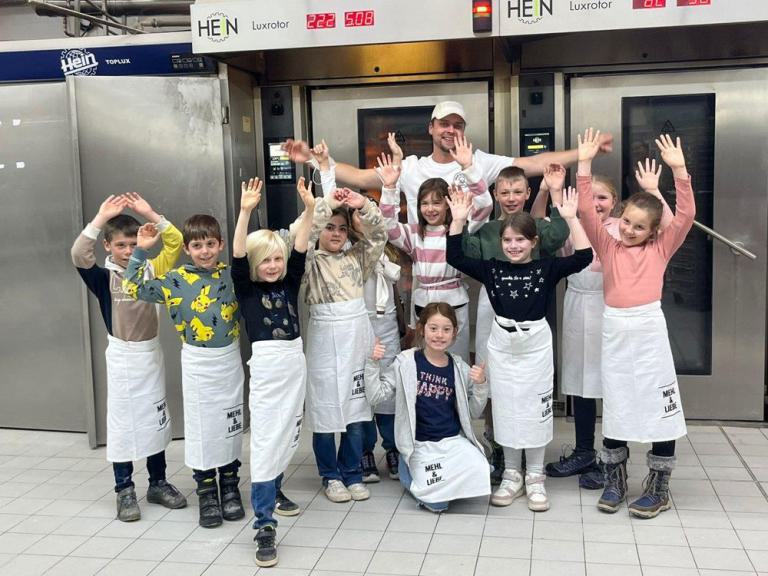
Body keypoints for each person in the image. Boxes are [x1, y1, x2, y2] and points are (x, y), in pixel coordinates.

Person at [446, 187, 592, 511]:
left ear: (533, 242)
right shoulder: (492, 270)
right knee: (506, 408)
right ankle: (512, 474)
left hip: (535, 346)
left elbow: (584, 257)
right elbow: (454, 256)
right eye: (508, 241)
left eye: (521, 240)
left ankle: (536, 476)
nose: (514, 246)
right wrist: (457, 220)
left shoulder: (547, 268)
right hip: (501, 346)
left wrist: (569, 217)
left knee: (535, 409)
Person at [576, 129, 695, 518]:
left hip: (648, 333)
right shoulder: (607, 244)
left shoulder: (662, 247)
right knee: (618, 406)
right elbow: (584, 211)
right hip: (615, 331)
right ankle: (615, 481)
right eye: (626, 222)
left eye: (639, 227)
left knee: (659, 408)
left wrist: (679, 172)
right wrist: (584, 163)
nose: (629, 230)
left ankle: (659, 489)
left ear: (653, 231)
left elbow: (687, 216)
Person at [545, 161, 674, 489]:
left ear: (615, 201)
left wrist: (654, 190)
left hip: (612, 309)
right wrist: (554, 191)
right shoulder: (572, 221)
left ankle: (611, 458)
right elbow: (544, 229)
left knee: (611, 383)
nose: (598, 204)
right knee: (580, 382)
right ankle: (584, 451)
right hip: (576, 304)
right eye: (594, 198)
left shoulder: (622, 230)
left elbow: (669, 229)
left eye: (604, 198)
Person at [282, 100, 612, 224]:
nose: (450, 130)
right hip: (421, 264)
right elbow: (355, 176)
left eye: (457, 125)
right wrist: (311, 158)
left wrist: (581, 155)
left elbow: (534, 163)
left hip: (470, 263)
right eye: (444, 123)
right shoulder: (410, 168)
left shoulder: (479, 161)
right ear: (432, 128)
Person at [123, 214, 245, 529]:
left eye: (210, 244)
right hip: (197, 365)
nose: (204, 251)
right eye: (196, 245)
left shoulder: (232, 277)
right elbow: (133, 288)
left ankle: (230, 485)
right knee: (202, 427)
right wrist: (140, 251)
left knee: (230, 425)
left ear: (220, 244)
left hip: (228, 361)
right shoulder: (174, 280)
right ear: (187, 249)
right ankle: (206, 490)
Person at [71, 193, 187, 522]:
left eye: (133, 244)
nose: (128, 251)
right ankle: (124, 489)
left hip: (151, 356)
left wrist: (149, 212)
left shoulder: (151, 269)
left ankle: (158, 482)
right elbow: (78, 254)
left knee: (155, 419)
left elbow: (175, 242)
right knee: (123, 425)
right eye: (121, 245)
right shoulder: (103, 277)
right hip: (123, 357)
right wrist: (98, 219)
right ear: (108, 246)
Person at [463, 163, 571, 483]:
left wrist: (552, 190)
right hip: (493, 308)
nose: (510, 198)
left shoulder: (537, 228)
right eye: (504, 192)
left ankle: (531, 455)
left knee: (529, 384)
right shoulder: (486, 230)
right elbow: (462, 250)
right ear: (496, 194)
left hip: (530, 313)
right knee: (493, 378)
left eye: (517, 192)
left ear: (527, 194)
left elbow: (562, 233)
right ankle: (499, 446)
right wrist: (467, 215)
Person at [231, 176, 313, 567]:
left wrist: (310, 209)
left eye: (276, 258)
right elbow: (234, 257)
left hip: (295, 363)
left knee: (290, 433)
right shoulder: (247, 289)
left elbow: (299, 249)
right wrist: (246, 211)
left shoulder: (290, 281)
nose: (273, 265)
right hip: (266, 369)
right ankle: (264, 525)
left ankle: (276, 490)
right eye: (265, 259)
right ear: (253, 264)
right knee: (265, 442)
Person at [304, 183, 387, 503]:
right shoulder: (310, 259)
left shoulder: (357, 258)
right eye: (329, 228)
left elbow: (379, 235)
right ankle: (330, 475)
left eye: (341, 228)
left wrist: (362, 205)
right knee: (325, 411)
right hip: (325, 339)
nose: (336, 233)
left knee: (356, 409)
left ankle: (352, 472)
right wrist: (324, 203)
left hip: (356, 336)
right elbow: (307, 231)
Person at [365, 303, 490, 513]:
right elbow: (376, 395)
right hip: (420, 445)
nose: (439, 335)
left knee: (482, 468)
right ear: (422, 330)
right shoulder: (405, 362)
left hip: (451, 443)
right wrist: (373, 363)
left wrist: (480, 385)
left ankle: (441, 477)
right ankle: (409, 469)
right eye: (433, 328)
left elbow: (473, 413)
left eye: (446, 329)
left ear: (454, 333)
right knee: (437, 503)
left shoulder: (458, 366)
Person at [377, 136, 491, 363]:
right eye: (425, 203)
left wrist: (469, 168)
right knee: (427, 362)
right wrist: (389, 187)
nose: (430, 209)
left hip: (454, 302)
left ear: (448, 203)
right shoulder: (414, 233)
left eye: (436, 202)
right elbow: (387, 224)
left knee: (456, 362)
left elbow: (485, 206)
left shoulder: (458, 228)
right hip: (423, 305)